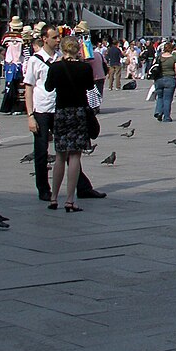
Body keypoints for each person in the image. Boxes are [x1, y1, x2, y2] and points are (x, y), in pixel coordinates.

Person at [22, 25, 103, 203]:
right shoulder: (35, 60)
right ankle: (44, 189)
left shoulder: (62, 60)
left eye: (58, 38)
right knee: (42, 151)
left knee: (70, 150)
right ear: (44, 39)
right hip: (42, 109)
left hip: (60, 109)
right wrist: (30, 116)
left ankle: (82, 187)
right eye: (54, 38)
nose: (57, 40)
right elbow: (28, 88)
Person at [44, 35, 95, 212]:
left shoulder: (56, 67)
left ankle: (53, 198)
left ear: (63, 49)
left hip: (61, 112)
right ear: (77, 49)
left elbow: (48, 87)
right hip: (78, 112)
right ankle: (70, 200)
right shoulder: (84, 68)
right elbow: (90, 87)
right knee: (75, 156)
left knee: (59, 155)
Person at [153, 41, 176, 122]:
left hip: (159, 79)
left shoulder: (159, 57)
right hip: (170, 79)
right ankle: (166, 117)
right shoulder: (174, 57)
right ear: (171, 49)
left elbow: (154, 66)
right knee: (167, 99)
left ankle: (159, 111)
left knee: (160, 97)